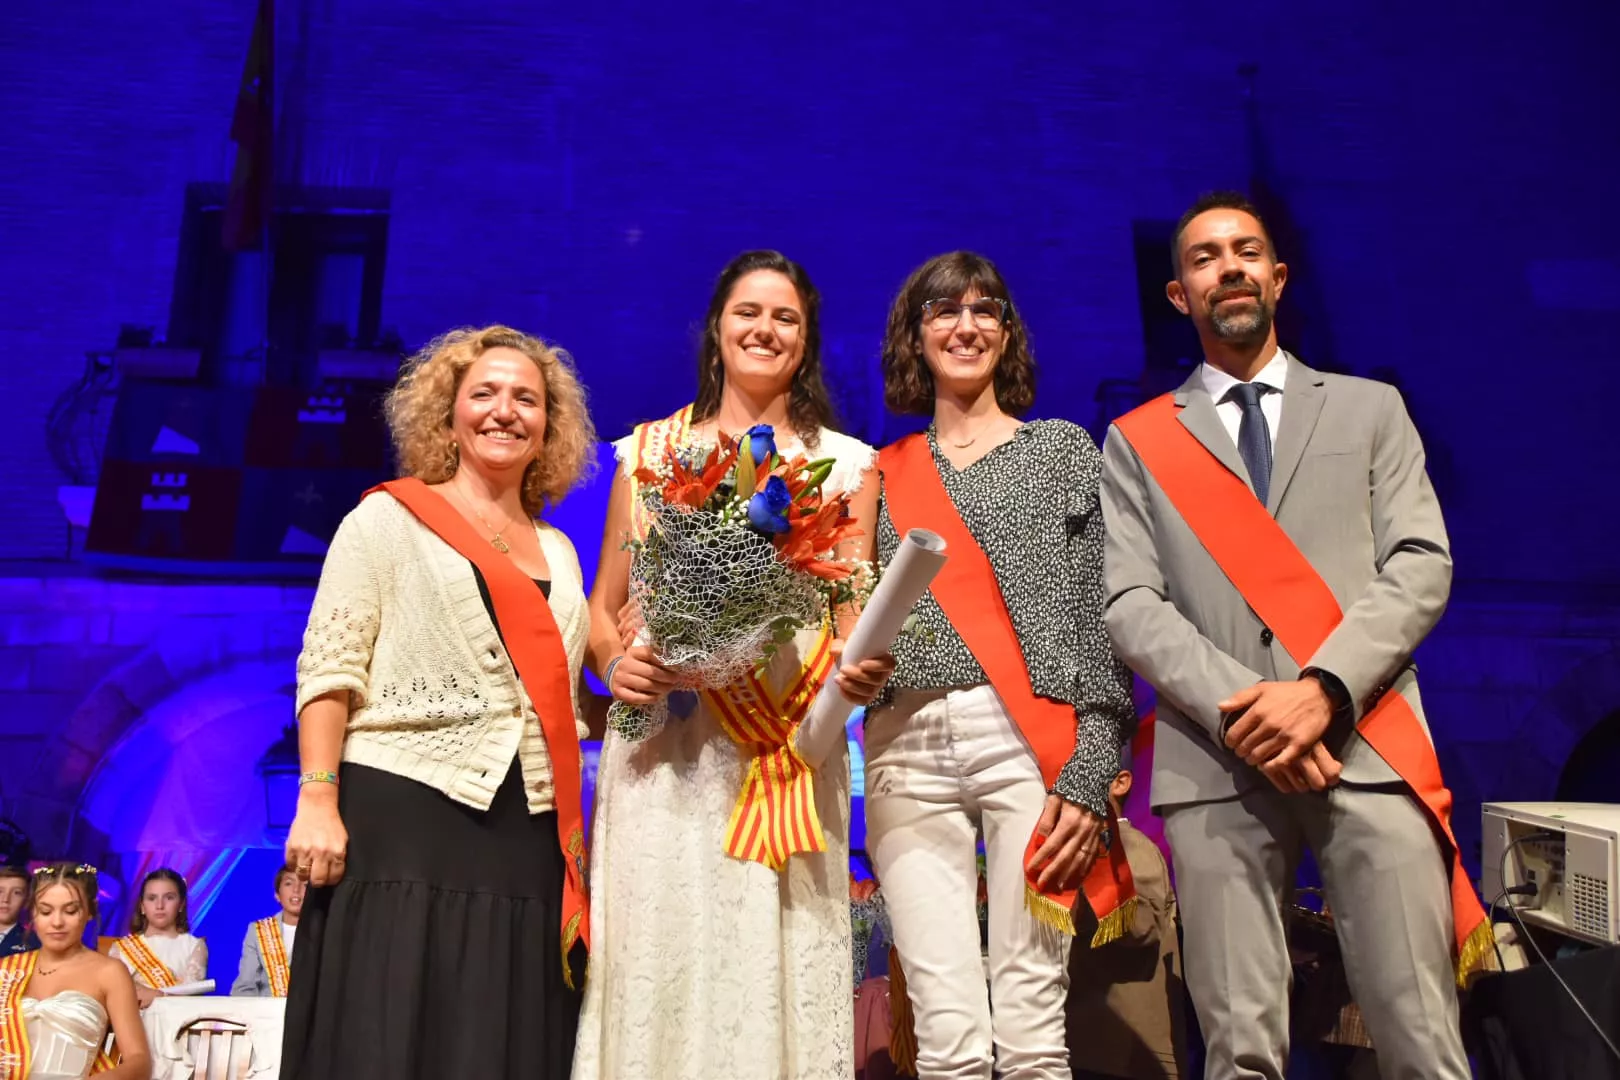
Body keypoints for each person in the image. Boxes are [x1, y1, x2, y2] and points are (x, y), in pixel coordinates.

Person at [1099, 191, 1481, 1078]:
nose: (1227, 266)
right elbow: (1128, 603)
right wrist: (1249, 714)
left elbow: (1422, 562)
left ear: (1278, 274)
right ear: (1178, 295)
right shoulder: (1138, 440)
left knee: (1421, 1035)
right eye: (1203, 257)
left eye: (1245, 250)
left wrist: (1321, 692)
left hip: (1367, 742)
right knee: (1240, 1050)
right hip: (1217, 757)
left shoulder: (1371, 408)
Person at [573, 250, 893, 1080]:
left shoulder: (850, 466)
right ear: (717, 329)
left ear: (806, 340)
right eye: (749, 311)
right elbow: (604, 608)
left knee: (771, 963)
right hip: (665, 759)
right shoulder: (647, 452)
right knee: (662, 963)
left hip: (781, 755)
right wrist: (616, 665)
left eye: (786, 317)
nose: (766, 329)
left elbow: (852, 614)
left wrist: (861, 671)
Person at [281, 325, 598, 1080]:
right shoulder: (387, 520)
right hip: (403, 816)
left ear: (549, 424)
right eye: (483, 393)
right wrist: (317, 798)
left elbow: (560, 691)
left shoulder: (559, 551)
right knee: (386, 1028)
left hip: (526, 833)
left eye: (526, 398)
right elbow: (330, 667)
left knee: (498, 1039)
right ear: (446, 413)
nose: (504, 411)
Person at [867, 251, 1136, 1080]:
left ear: (1007, 333)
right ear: (917, 336)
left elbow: (1106, 617)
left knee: (1029, 1028)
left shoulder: (1061, 450)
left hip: (1025, 742)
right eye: (944, 310)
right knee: (946, 1039)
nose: (967, 324)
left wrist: (1091, 769)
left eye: (987, 309)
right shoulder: (880, 474)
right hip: (903, 749)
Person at [1066, 763, 1186, 1080]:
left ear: (1120, 782)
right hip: (1092, 1046)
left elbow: (1140, 925)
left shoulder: (1129, 844)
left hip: (1125, 1053)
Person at [0, 863, 151, 1079]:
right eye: (46, 911)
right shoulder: (7, 970)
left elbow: (139, 1062)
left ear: (90, 911)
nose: (57, 922)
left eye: (70, 911)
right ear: (33, 913)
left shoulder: (109, 972)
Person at [107, 869, 205, 1010]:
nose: (159, 906)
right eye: (152, 898)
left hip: (174, 1023)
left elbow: (190, 1002)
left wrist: (156, 996)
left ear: (181, 904)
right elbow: (111, 993)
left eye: (169, 898)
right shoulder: (122, 948)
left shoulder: (194, 946)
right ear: (142, 906)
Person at [230, 863, 305, 997]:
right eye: (289, 883)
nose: (296, 890)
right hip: (265, 1014)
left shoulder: (326, 931)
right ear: (277, 894)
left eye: (305, 885)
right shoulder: (259, 930)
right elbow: (246, 985)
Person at [1, 865, 33, 957]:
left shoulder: (33, 945)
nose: (5, 899)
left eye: (17, 893)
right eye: (0, 891)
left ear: (26, 901)